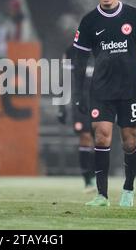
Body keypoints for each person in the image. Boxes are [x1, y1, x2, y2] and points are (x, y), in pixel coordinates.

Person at [72, 0, 136, 207]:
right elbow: (79, 60)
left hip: (130, 88)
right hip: (101, 89)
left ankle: (128, 190)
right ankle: (101, 195)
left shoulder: (134, 15)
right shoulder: (89, 21)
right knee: (101, 137)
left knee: (129, 141)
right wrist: (77, 93)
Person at [57, 44, 96, 193]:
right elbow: (64, 81)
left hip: (99, 101)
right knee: (85, 137)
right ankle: (87, 179)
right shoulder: (70, 52)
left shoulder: (103, 48)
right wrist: (61, 108)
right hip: (80, 103)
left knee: (99, 139)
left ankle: (96, 175)